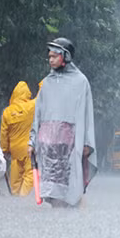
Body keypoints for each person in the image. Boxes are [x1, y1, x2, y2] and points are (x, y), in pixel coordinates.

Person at [28, 37, 97, 208]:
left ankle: (72, 218)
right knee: (51, 185)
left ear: (65, 56)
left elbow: (87, 113)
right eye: (49, 56)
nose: (50, 59)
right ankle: (57, 219)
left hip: (70, 143)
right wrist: (32, 141)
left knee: (70, 183)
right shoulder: (46, 83)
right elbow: (38, 114)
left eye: (54, 56)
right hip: (48, 144)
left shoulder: (81, 82)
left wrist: (87, 142)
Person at [0, 81, 36, 196]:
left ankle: (15, 199)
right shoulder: (31, 107)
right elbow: (43, 94)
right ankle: (23, 199)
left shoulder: (7, 112)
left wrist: (4, 150)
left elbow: (4, 134)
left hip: (14, 151)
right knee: (30, 175)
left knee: (15, 179)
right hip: (28, 150)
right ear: (27, 94)